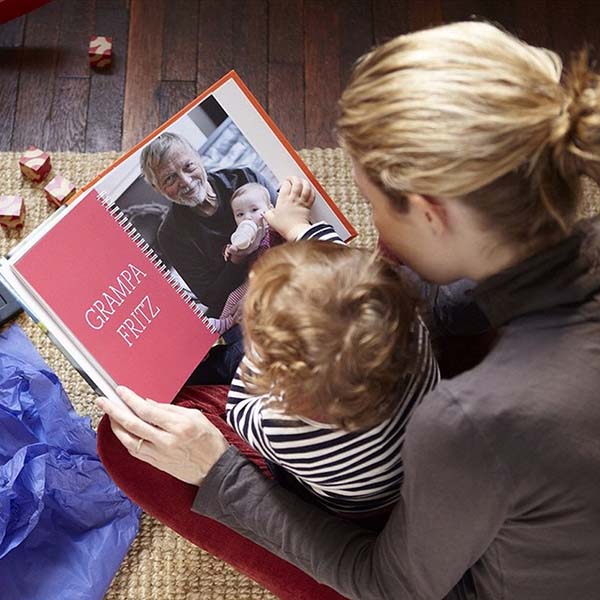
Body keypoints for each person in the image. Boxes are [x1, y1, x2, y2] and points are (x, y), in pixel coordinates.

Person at [97, 21, 600, 600]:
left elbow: (391, 585)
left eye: (371, 200)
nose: (371, 218)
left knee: (124, 446)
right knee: (380, 273)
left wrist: (218, 470)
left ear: (431, 212)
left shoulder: (469, 426)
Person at [226, 184, 438, 522]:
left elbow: (237, 409)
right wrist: (298, 228)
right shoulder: (406, 324)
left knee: (229, 356)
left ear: (280, 376)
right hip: (423, 457)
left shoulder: (282, 429)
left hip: (357, 509)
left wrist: (251, 355)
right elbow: (349, 274)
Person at [140, 132, 276, 317]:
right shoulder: (171, 235)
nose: (186, 182)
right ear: (157, 188)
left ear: (197, 156)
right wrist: (237, 260)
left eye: (188, 166)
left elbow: (288, 225)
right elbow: (211, 298)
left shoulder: (245, 178)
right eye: (170, 179)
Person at [207, 182, 276, 335]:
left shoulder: (273, 230)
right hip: (251, 278)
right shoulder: (244, 236)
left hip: (267, 277)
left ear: (270, 210)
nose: (247, 218)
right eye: (240, 214)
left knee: (246, 297)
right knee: (233, 296)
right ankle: (225, 323)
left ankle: (228, 324)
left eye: (254, 210)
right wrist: (231, 250)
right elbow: (236, 249)